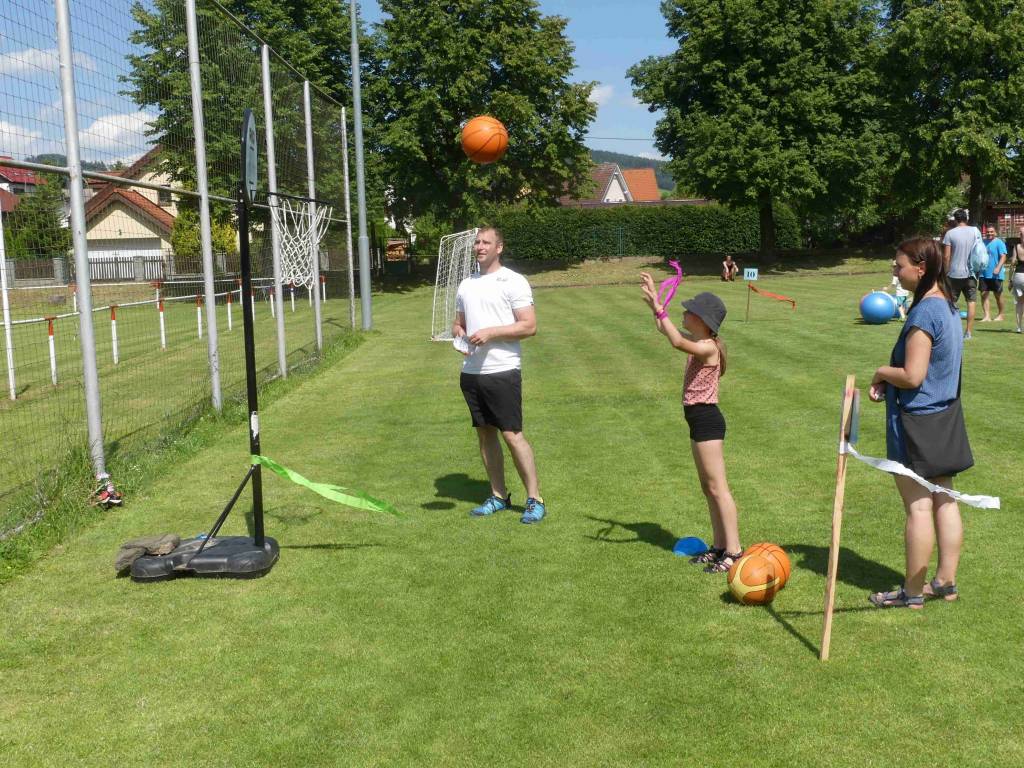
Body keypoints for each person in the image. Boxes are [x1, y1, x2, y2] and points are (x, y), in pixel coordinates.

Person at [868, 238, 965, 609]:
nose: (895, 271)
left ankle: (911, 592)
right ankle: (944, 582)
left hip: (917, 423)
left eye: (899, 265)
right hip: (944, 417)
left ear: (920, 268)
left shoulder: (925, 312)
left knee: (920, 506)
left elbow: (912, 375)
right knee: (945, 499)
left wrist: (881, 371)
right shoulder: (949, 305)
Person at [639, 276, 742, 573]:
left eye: (689, 311)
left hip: (707, 420)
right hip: (697, 420)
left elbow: (675, 341)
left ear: (702, 320)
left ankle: (734, 551)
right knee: (708, 487)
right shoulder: (700, 342)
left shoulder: (708, 347)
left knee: (719, 487)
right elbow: (665, 329)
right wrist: (655, 305)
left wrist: (661, 310)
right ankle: (719, 546)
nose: (683, 313)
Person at [452, 227, 546, 524]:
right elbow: (458, 324)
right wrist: (460, 335)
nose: (480, 247)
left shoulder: (514, 281)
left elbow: (529, 326)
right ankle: (498, 495)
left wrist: (491, 333)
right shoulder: (466, 284)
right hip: (471, 372)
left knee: (512, 435)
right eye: (477, 242)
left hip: (503, 370)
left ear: (499, 247)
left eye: (486, 242)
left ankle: (535, 499)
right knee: (485, 433)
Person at [941, 208, 981, 339]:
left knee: (950, 302)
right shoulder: (975, 231)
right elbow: (980, 251)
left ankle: (950, 330)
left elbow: (946, 256)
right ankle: (968, 332)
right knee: (971, 302)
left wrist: (945, 271)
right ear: (966, 218)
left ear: (955, 220)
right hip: (971, 273)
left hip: (954, 273)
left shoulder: (950, 233)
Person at [979, 223, 1007, 322]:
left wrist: (998, 268)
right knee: (984, 294)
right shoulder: (982, 242)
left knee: (998, 295)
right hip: (983, 273)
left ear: (995, 232)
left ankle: (1001, 315)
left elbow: (1003, 256)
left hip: (996, 274)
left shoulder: (999, 243)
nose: (989, 233)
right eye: (987, 232)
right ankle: (987, 316)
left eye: (991, 232)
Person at [1010, 226, 1024, 333]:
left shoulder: (1016, 247)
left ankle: (1019, 327)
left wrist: (1010, 280)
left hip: (1018, 276)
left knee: (1019, 303)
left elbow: (1012, 264)